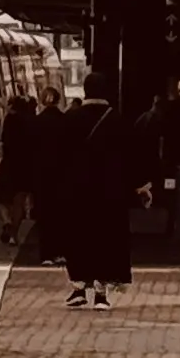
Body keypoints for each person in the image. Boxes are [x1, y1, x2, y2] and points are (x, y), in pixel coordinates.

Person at [42, 90, 137, 306]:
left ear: (86, 91)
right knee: (105, 240)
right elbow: (129, 156)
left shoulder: (70, 119)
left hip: (76, 192)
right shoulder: (116, 119)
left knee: (77, 238)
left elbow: (57, 157)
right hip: (109, 193)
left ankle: (79, 289)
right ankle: (101, 294)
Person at [0, 95, 48, 262]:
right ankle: (14, 233)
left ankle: (6, 223)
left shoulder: (3, 122)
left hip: (7, 167)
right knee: (19, 202)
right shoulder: (32, 122)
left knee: (3, 200)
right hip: (24, 168)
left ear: (11, 106)